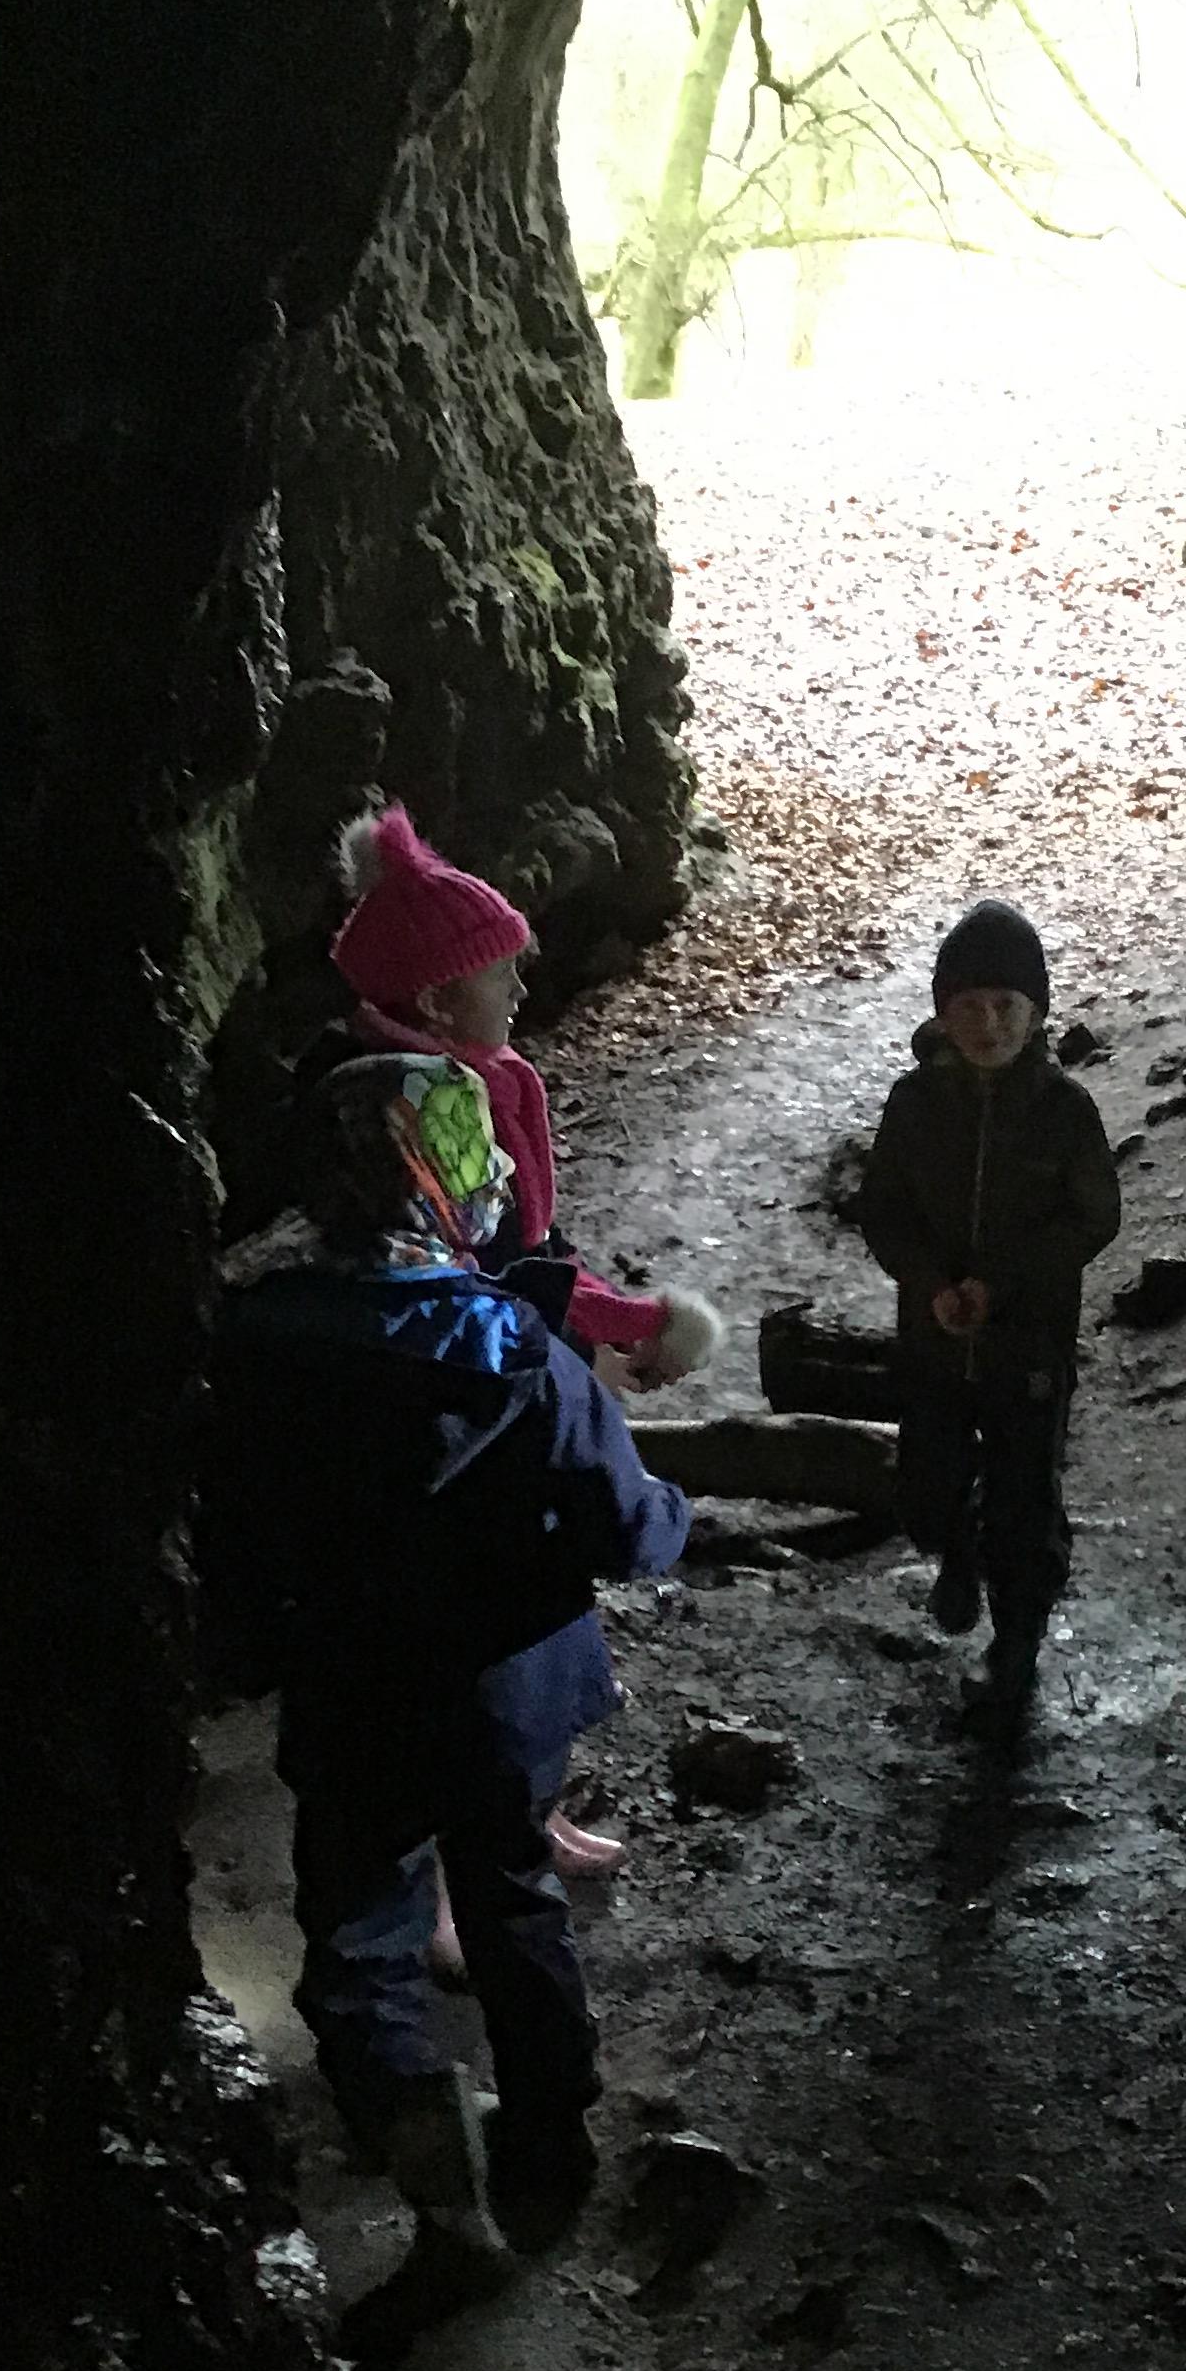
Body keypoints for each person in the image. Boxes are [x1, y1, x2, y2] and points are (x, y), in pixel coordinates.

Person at [202, 1052, 691, 2285]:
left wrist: (246, 1646)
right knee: (511, 1893)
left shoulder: (252, 1333)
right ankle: (549, 2136)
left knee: (361, 1922)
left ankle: (420, 2140)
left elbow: (229, 1527)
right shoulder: (510, 1344)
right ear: (447, 1173)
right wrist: (674, 1513)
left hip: (350, 1686)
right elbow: (623, 1525)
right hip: (500, 1695)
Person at [310, 800, 720, 1908]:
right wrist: (616, 1333)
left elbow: (528, 1254)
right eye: (502, 969)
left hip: (493, 1361)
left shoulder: (467, 1077)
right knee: (473, 1646)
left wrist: (600, 1331)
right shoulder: (430, 1109)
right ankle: (456, 1878)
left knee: (531, 1618)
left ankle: (527, 1811)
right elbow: (499, 1267)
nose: (522, 987)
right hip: (459, 1396)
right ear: (441, 998)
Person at [858, 900, 1122, 1743]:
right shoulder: (912, 1104)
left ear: (1037, 1012)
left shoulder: (1065, 1111)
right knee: (926, 1490)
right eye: (968, 1006)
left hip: (1027, 1345)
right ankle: (956, 1547)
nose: (989, 1024)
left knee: (1024, 1499)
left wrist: (1000, 1284)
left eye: (1007, 1005)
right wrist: (931, 1283)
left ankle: (1016, 1649)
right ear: (942, 1012)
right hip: (933, 1344)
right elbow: (881, 1210)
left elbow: (1094, 1216)